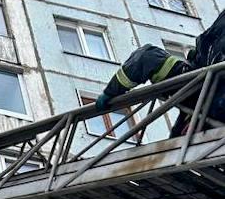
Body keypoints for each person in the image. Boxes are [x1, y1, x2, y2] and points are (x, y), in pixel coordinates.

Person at [96, 9, 225, 137]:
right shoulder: (202, 69)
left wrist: (111, 92)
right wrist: (111, 91)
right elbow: (147, 58)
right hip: (200, 102)